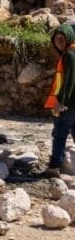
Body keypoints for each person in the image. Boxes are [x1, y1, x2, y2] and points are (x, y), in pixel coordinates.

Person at [43, 23, 75, 178]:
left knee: (59, 136)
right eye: (57, 40)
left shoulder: (69, 54)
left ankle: (54, 167)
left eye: (62, 39)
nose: (60, 43)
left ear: (69, 38)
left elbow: (69, 82)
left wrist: (60, 102)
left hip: (66, 106)